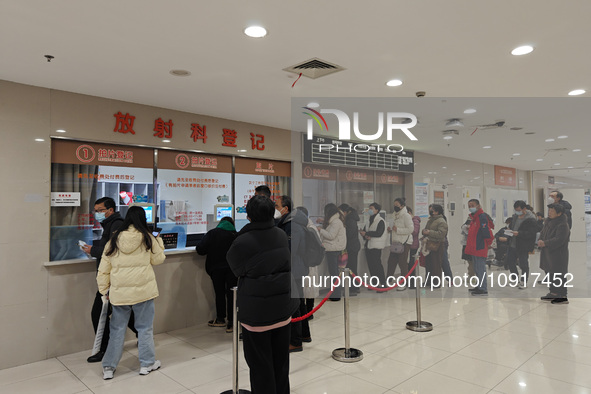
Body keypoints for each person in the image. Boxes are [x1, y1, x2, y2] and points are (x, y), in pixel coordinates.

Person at [227, 195, 299, 394]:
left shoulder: (241, 242)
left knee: (260, 368)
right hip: (283, 311)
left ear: (249, 216)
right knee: (281, 365)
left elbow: (236, 269)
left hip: (257, 316)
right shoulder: (280, 234)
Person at [97, 206, 166, 380]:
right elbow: (158, 259)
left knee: (117, 330)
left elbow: (104, 269)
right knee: (144, 329)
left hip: (120, 294)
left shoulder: (114, 239)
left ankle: (108, 367)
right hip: (143, 292)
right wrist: (159, 240)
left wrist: (104, 290)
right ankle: (147, 363)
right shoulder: (148, 237)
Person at [83, 197, 137, 363]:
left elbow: (111, 251)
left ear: (110, 210)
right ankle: (143, 333)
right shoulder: (109, 225)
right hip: (110, 278)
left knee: (99, 313)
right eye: (96, 210)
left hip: (114, 279)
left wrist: (93, 250)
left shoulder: (116, 225)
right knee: (123, 311)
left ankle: (104, 349)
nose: (97, 214)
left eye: (100, 210)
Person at [276, 196, 311, 352]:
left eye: (277, 206)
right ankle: (304, 335)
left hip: (294, 269)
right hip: (296, 269)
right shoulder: (288, 223)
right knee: (300, 304)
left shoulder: (293, 225)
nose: (275, 209)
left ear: (286, 208)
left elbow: (290, 250)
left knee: (294, 306)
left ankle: (296, 341)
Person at [195, 216, 237, 333]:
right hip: (232, 270)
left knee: (219, 293)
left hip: (216, 269)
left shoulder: (212, 233)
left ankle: (220, 319)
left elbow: (200, 250)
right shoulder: (235, 235)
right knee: (232, 295)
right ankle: (232, 323)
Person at [500, 201, 538, 289]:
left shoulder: (531, 219)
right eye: (516, 210)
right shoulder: (515, 217)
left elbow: (531, 233)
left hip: (523, 245)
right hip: (512, 243)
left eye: (519, 210)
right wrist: (510, 230)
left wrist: (519, 233)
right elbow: (513, 226)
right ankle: (515, 279)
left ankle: (523, 281)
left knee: (523, 264)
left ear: (524, 208)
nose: (517, 212)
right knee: (510, 262)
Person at [539, 203, 571, 304]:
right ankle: (553, 293)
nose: (549, 213)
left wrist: (545, 243)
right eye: (549, 211)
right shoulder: (548, 222)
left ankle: (562, 295)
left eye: (552, 211)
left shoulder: (563, 224)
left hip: (558, 254)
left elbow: (559, 239)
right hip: (547, 253)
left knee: (559, 274)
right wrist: (540, 240)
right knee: (550, 273)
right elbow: (542, 233)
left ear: (559, 213)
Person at [465, 199, 494, 296]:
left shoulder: (482, 217)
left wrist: (489, 243)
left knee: (480, 268)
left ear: (478, 205)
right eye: (469, 205)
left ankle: (483, 288)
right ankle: (479, 286)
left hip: (480, 246)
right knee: (476, 268)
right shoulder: (474, 218)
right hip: (474, 246)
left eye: (472, 205)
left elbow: (486, 231)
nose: (470, 207)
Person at [318, 203, 347, 300]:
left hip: (333, 249)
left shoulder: (336, 222)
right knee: (334, 273)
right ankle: (335, 293)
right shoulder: (335, 221)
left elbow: (331, 236)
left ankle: (335, 295)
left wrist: (320, 230)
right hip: (334, 248)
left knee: (334, 273)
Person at [296, 206, 320, 317]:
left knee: (309, 287)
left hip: (308, 261)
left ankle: (309, 311)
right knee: (308, 287)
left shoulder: (308, 228)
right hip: (308, 261)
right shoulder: (309, 227)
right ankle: (307, 310)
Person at [386, 198, 413, 291]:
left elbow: (410, 229)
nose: (395, 206)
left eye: (397, 205)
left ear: (402, 206)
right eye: (394, 204)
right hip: (395, 242)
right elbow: (394, 229)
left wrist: (397, 229)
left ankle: (404, 283)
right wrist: (391, 230)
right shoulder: (394, 215)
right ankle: (388, 281)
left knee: (402, 264)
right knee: (391, 262)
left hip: (404, 242)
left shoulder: (406, 216)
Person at [360, 202, 388, 290]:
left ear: (377, 210)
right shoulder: (369, 221)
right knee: (371, 266)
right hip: (368, 246)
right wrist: (364, 235)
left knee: (377, 265)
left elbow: (379, 233)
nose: (370, 210)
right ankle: (375, 283)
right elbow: (365, 231)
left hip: (376, 246)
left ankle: (383, 284)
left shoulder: (380, 221)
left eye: (371, 208)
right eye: (369, 208)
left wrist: (367, 233)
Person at [421, 204, 448, 288]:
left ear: (437, 212)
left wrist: (429, 232)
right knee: (428, 264)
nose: (430, 212)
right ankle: (428, 281)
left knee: (436, 264)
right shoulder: (431, 220)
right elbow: (427, 229)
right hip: (429, 244)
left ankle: (436, 283)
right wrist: (424, 232)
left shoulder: (441, 221)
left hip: (437, 244)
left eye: (431, 210)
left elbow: (441, 234)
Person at [338, 203, 361, 295]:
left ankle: (353, 289)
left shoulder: (350, 219)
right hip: (353, 246)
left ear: (345, 212)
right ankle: (355, 287)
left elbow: (349, 234)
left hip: (351, 247)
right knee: (352, 267)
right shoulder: (351, 218)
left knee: (351, 268)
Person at [406, 207, 421, 289]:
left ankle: (413, 283)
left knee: (412, 264)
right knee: (408, 264)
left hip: (413, 245)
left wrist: (405, 230)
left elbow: (414, 232)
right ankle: (408, 281)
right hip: (407, 245)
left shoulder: (415, 221)